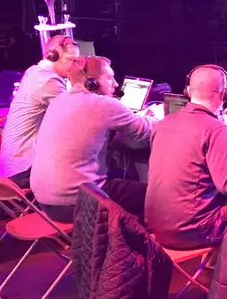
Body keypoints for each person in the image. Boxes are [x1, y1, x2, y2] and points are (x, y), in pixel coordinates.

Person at [146, 65, 227, 249]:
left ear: (188, 91)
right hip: (193, 232)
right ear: (225, 93)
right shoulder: (216, 129)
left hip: (157, 227)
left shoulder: (164, 123)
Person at [30, 56, 155, 222]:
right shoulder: (103, 105)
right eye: (109, 78)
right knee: (154, 197)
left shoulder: (59, 100)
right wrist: (156, 118)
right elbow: (147, 132)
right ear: (92, 82)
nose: (116, 84)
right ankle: (127, 245)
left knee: (125, 177)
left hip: (44, 203)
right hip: (77, 202)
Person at [0, 35, 81, 186]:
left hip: (10, 169)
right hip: (23, 172)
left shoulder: (34, 71)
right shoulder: (50, 81)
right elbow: (76, 116)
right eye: (71, 60)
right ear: (52, 56)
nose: (75, 66)